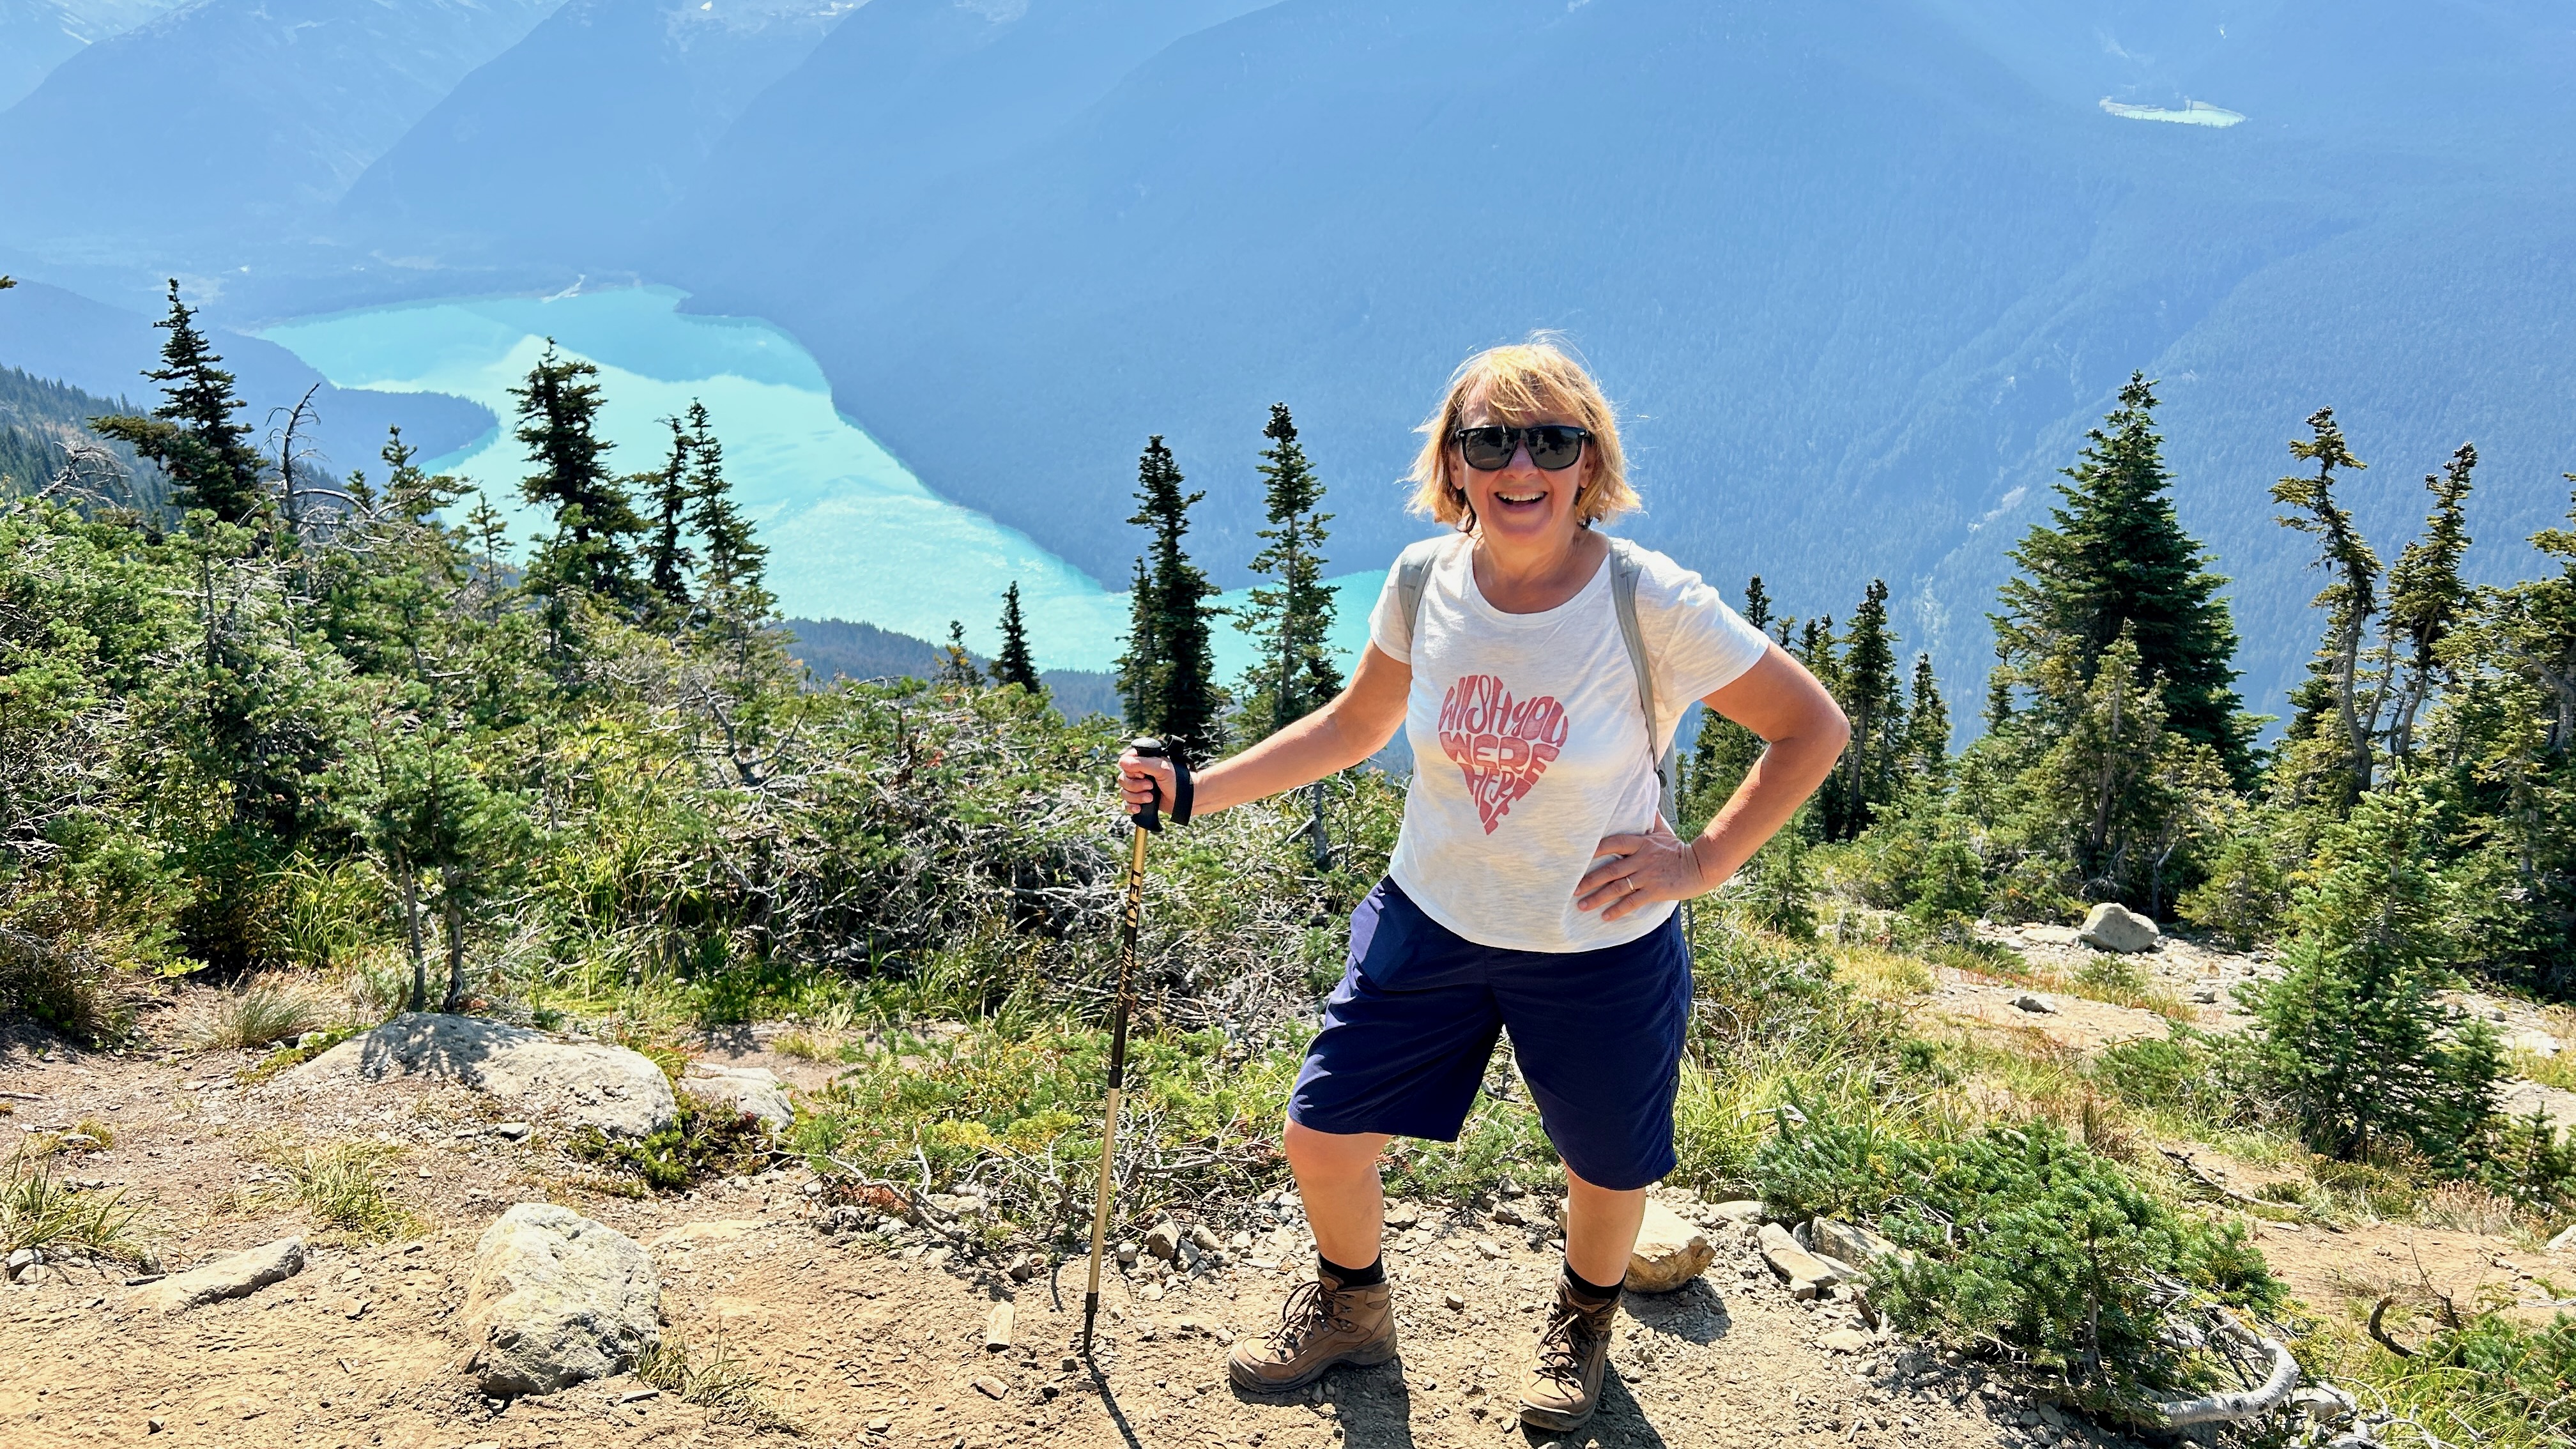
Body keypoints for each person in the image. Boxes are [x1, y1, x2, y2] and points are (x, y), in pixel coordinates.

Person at [1117, 340, 1847, 1431]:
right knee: (1322, 1135)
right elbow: (1356, 726)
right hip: (1432, 914)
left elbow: (1812, 727)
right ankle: (1353, 1311)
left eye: (1552, 440)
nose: (1522, 466)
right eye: (1490, 440)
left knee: (1604, 1167)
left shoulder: (1649, 602)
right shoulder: (1424, 583)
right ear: (1452, 463)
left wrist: (1700, 863)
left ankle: (1584, 1319)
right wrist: (1194, 795)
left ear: (1589, 464)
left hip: (1599, 941)